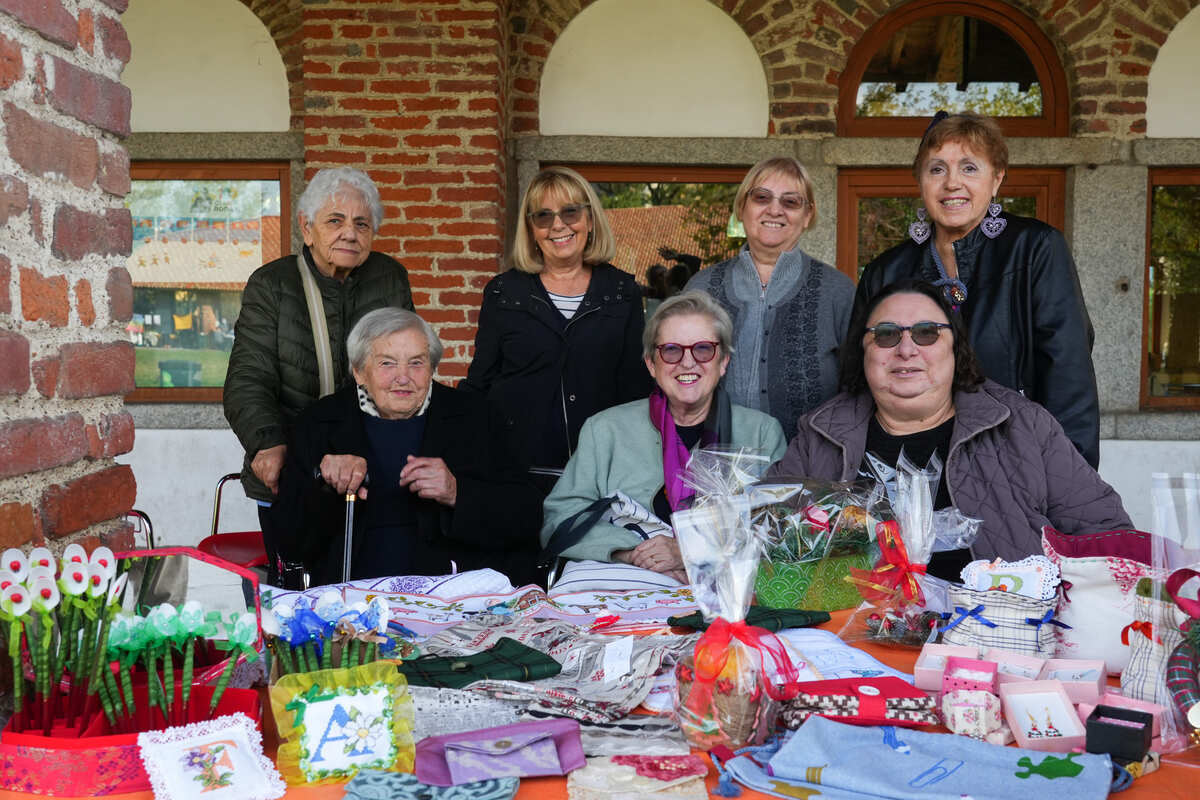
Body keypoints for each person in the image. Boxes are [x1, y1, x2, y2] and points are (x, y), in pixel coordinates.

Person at [768, 280, 1130, 577]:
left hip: (1001, 641)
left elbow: (1108, 537)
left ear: (956, 347)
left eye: (927, 333)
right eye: (886, 334)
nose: (906, 349)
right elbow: (765, 536)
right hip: (851, 641)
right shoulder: (821, 433)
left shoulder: (1022, 425)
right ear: (862, 350)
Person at [855, 111, 1100, 467]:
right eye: (936, 169)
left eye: (969, 168)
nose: (952, 183)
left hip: (1015, 459)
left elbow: (1068, 372)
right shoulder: (885, 271)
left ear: (996, 179)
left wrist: (1070, 476)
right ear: (920, 181)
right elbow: (859, 376)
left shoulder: (1034, 249)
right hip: (910, 465)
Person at [224, 167, 413, 583]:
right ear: (306, 229)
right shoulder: (272, 284)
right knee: (298, 587)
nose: (350, 233)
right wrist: (267, 443)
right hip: (295, 464)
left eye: (361, 223)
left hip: (374, 467)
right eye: (335, 221)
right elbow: (247, 377)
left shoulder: (390, 277)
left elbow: (406, 363)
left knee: (376, 586)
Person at [272, 308, 544, 588]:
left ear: (432, 367)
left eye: (416, 363)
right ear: (359, 371)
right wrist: (325, 483)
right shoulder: (319, 423)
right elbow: (290, 542)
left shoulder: (476, 418)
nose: (403, 377)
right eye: (387, 363)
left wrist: (457, 492)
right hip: (352, 597)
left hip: (451, 595)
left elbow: (527, 517)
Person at [541, 292, 787, 584]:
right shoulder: (605, 430)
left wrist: (690, 550)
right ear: (651, 364)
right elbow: (560, 518)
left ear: (723, 362)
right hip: (624, 589)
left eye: (703, 349)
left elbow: (781, 528)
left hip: (728, 593)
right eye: (671, 350)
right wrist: (632, 551)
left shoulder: (761, 433)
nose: (687, 363)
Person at [462, 166, 651, 489]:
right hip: (517, 470)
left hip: (601, 473)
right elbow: (481, 382)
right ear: (531, 229)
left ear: (590, 220)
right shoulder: (504, 293)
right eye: (544, 216)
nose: (558, 225)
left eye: (570, 212)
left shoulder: (621, 292)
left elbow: (635, 387)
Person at [686, 156, 854, 440]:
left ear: (808, 216)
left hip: (810, 466)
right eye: (761, 197)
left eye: (790, 202)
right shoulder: (700, 288)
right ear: (742, 208)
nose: (775, 209)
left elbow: (858, 387)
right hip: (711, 463)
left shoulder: (837, 291)